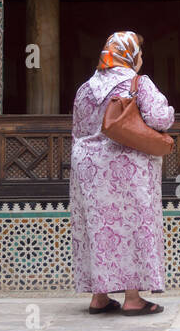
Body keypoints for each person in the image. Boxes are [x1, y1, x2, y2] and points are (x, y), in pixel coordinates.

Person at [69, 31, 173, 315]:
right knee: (131, 226)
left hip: (89, 169)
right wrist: (170, 111)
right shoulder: (137, 84)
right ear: (130, 55)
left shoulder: (85, 88)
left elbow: (79, 129)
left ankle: (99, 297)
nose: (141, 57)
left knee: (97, 227)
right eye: (139, 52)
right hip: (127, 168)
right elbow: (160, 118)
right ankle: (133, 298)